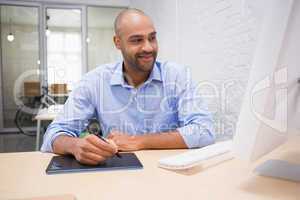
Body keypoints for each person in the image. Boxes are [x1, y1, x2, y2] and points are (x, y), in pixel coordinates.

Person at [41, 8, 215, 165]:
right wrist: (76, 145)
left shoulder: (178, 76)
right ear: (118, 42)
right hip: (120, 174)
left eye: (152, 38)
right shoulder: (94, 81)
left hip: (171, 171)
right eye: (137, 40)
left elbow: (204, 131)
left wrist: (139, 141)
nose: (148, 47)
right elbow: (53, 134)